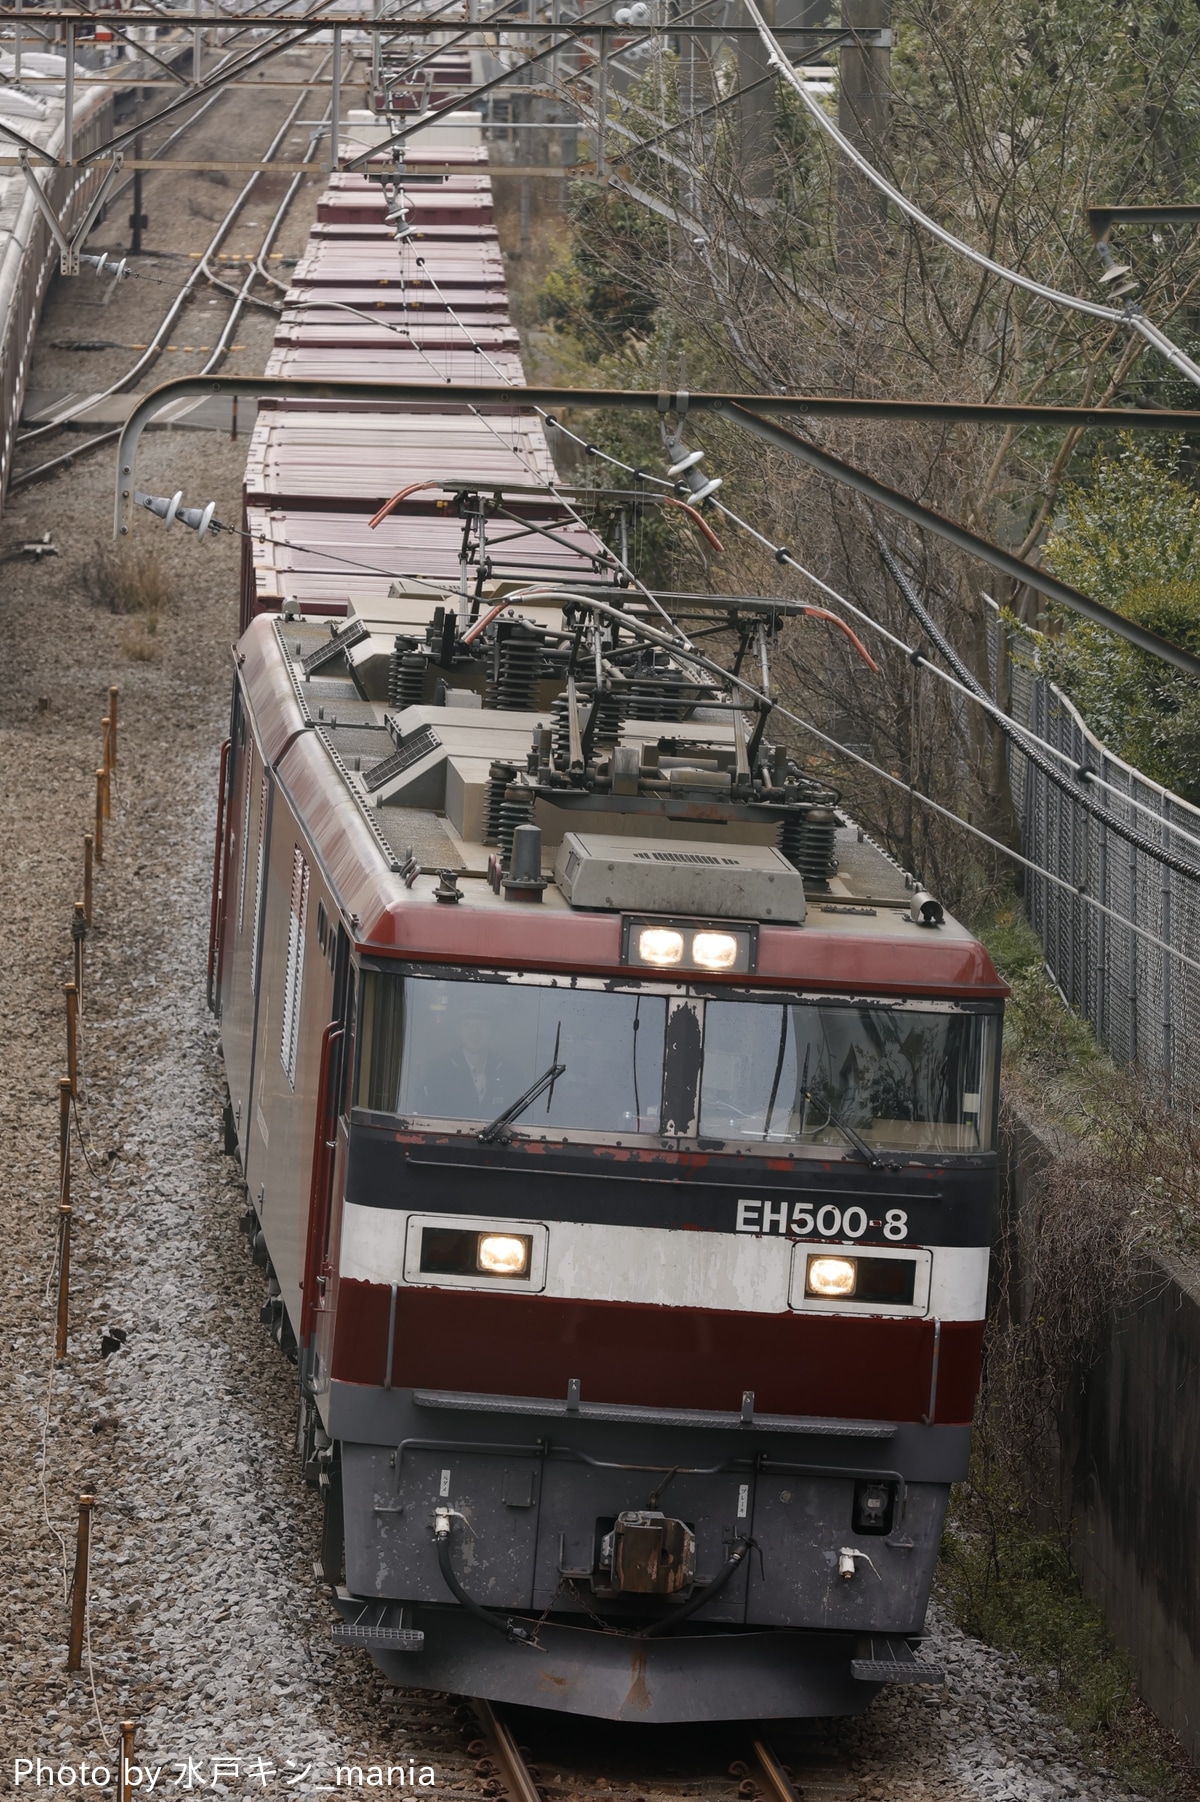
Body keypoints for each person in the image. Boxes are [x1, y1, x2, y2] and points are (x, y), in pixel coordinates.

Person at [419, 1007, 512, 1119]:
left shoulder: (509, 1072)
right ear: (458, 1030)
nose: (475, 1031)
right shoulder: (437, 1070)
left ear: (492, 1030)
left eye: (483, 1025)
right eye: (467, 1024)